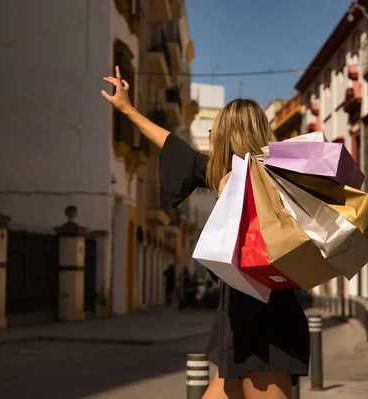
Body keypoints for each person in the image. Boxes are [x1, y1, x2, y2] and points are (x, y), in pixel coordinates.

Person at [102, 67, 308, 399]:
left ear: (227, 134)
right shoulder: (223, 173)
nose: (211, 134)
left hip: (265, 320)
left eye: (216, 130)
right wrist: (127, 110)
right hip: (236, 316)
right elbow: (172, 144)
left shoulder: (273, 178)